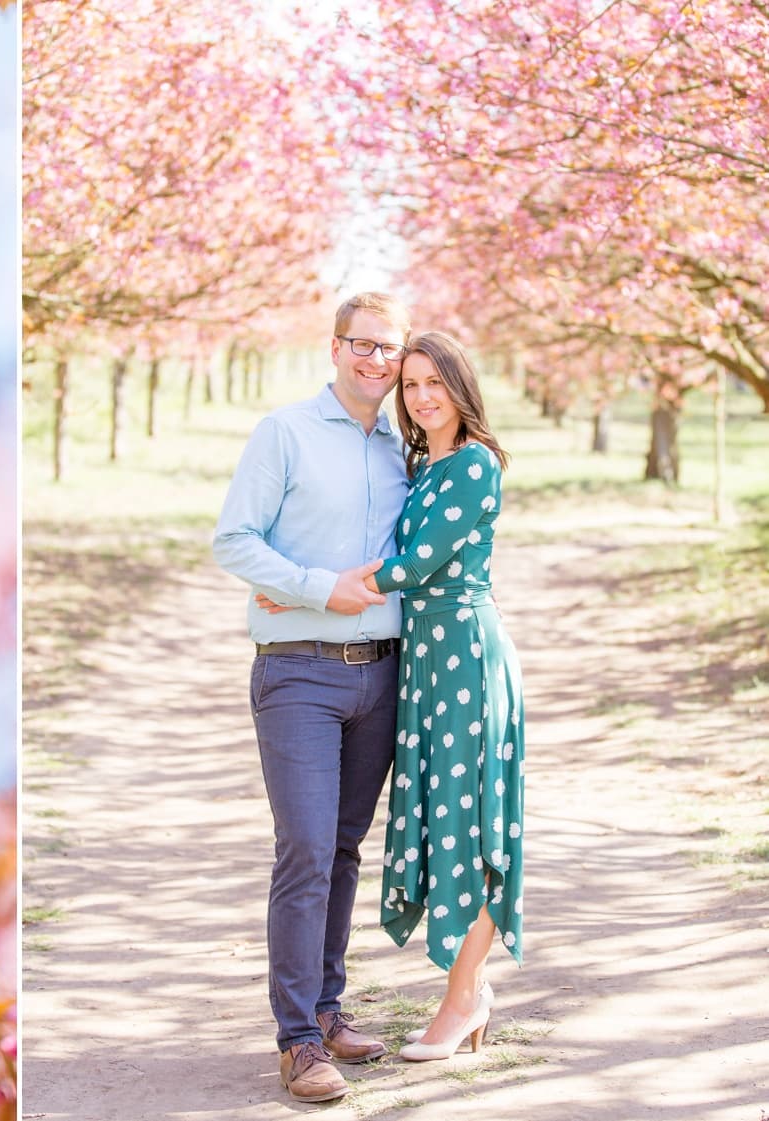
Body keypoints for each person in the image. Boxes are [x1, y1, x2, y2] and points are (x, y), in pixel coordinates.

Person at [211, 292, 412, 1103]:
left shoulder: (405, 449)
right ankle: (296, 1040)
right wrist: (313, 588)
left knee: (344, 848)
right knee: (303, 845)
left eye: (390, 349)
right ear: (334, 347)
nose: (377, 361)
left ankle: (327, 1011)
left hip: (383, 675)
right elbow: (233, 539)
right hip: (298, 670)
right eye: (363, 344)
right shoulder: (284, 433)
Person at [356, 330, 525, 1061]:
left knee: (472, 823)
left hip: (465, 658)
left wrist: (313, 591)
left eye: (435, 382)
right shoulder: (425, 463)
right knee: (439, 819)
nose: (422, 397)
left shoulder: (476, 465)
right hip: (425, 663)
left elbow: (417, 563)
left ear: (461, 386)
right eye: (412, 385)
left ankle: (463, 997)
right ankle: (468, 992)